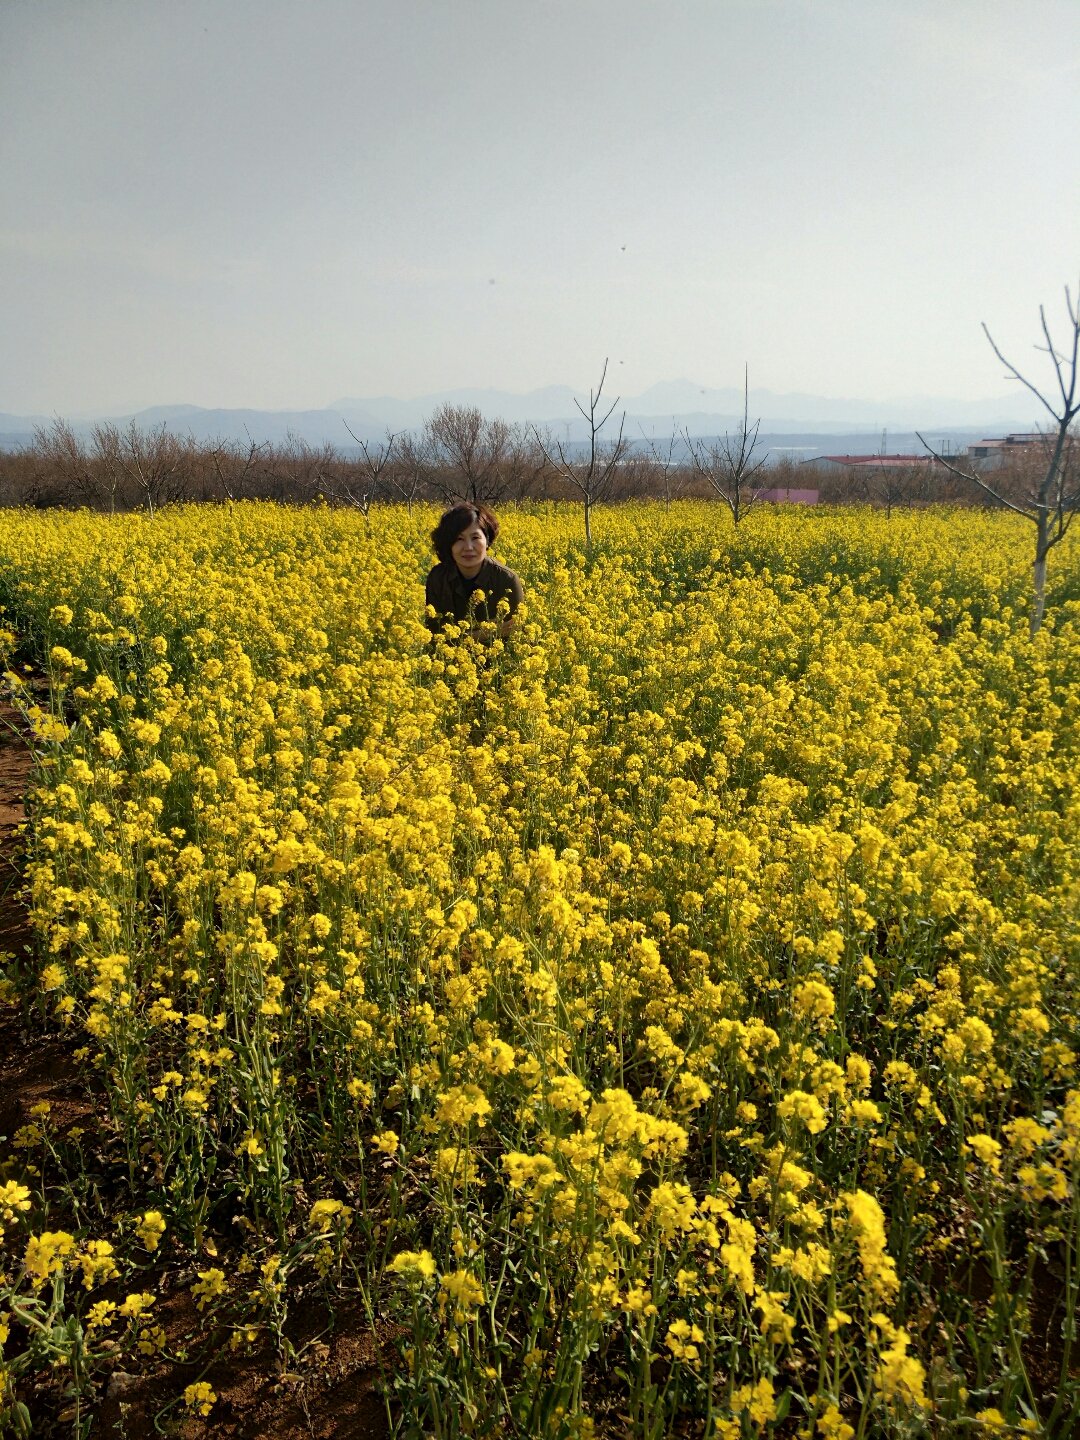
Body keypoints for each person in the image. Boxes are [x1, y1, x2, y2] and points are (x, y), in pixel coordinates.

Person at [425, 503, 523, 640]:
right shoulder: (438, 578)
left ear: (487, 541)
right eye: (459, 539)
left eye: (475, 538)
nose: (468, 547)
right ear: (449, 544)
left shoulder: (506, 580)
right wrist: (486, 633)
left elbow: (516, 631)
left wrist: (457, 638)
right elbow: (432, 635)